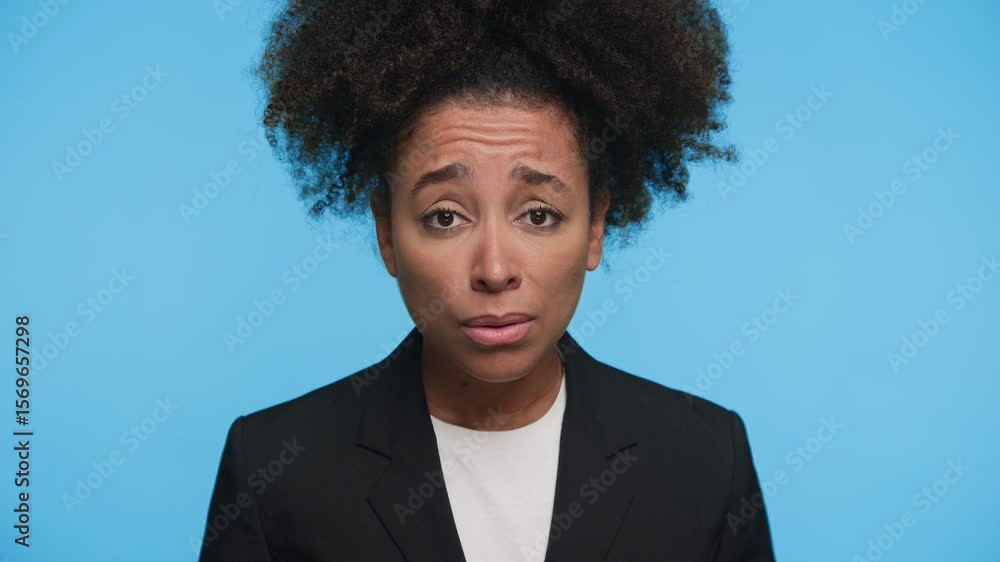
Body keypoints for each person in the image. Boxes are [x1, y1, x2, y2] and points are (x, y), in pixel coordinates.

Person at [197, 0, 776, 560]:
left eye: (538, 215)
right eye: (445, 217)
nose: (495, 270)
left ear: (595, 227)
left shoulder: (706, 462)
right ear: (387, 233)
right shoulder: (275, 471)